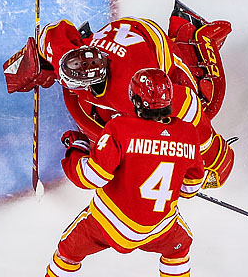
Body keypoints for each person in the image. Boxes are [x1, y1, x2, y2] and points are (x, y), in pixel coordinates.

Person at [3, 0, 233, 189]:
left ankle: (190, 30)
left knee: (206, 104)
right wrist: (37, 62)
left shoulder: (129, 87)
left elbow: (190, 105)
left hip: (151, 45)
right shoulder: (70, 57)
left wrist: (214, 156)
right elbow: (51, 32)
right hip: (120, 36)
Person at [44, 68, 205, 277]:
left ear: (136, 100)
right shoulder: (188, 133)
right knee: (179, 249)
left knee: (68, 251)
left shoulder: (120, 128)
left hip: (109, 223)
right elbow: (190, 188)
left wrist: (76, 149)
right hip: (159, 228)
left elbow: (92, 177)